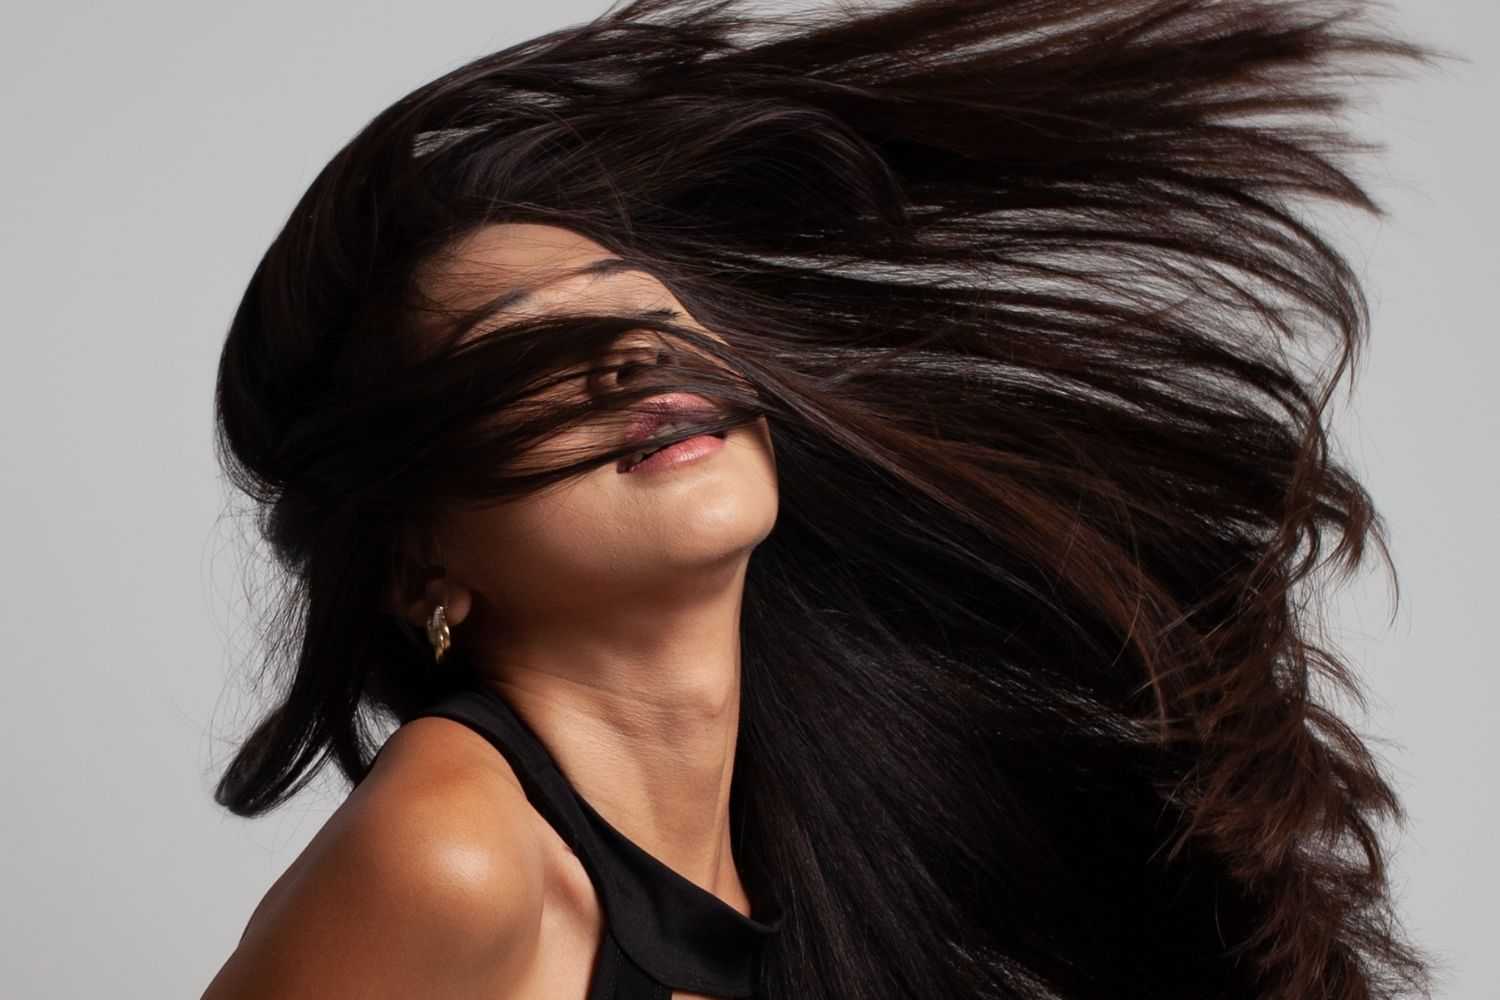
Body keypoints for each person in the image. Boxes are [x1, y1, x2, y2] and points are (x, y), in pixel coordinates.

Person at [199, 1, 1444, 998]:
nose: (635, 354)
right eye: (525, 352)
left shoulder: (794, 863)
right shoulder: (455, 852)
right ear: (422, 562)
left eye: (642, 307)